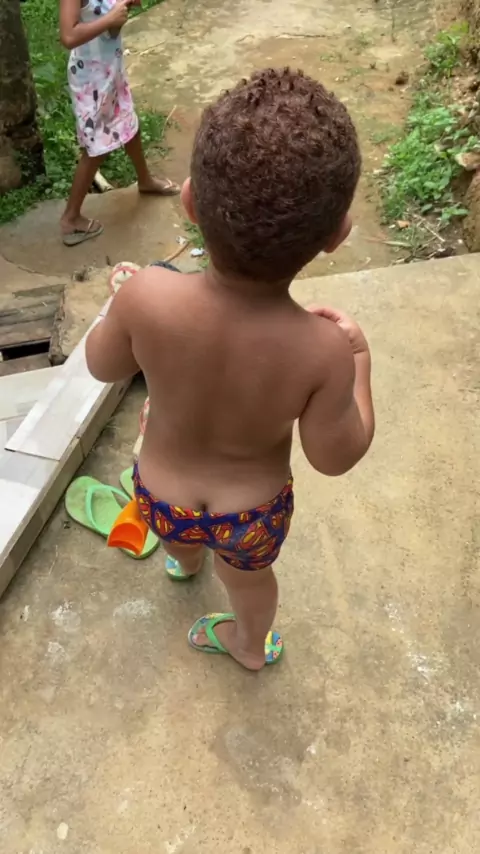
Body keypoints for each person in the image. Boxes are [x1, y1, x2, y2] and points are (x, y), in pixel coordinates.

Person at [85, 68, 375, 671]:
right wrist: (359, 363)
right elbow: (335, 456)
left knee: (181, 538)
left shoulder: (147, 296)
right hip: (250, 516)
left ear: (190, 201)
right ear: (337, 235)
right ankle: (248, 646)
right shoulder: (322, 350)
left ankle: (183, 561)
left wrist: (123, 306)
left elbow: (101, 364)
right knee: (248, 581)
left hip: (161, 496)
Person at [59, 0, 180, 246]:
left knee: (129, 123)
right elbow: (68, 36)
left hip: (110, 70)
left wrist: (123, 8)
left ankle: (145, 180)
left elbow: (109, 29)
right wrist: (110, 18)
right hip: (91, 79)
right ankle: (70, 217)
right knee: (96, 148)